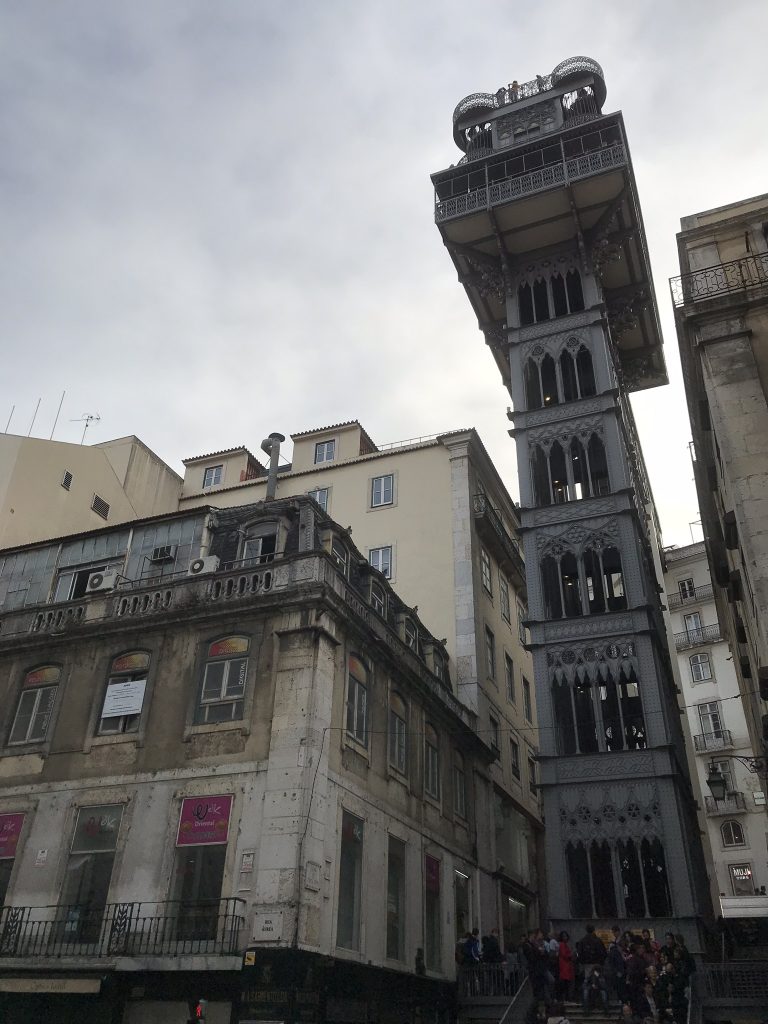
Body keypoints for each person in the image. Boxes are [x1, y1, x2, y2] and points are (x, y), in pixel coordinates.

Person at [557, 930, 575, 1000]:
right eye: (564, 936)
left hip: (565, 965)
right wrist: (571, 955)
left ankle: (566, 997)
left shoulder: (563, 944)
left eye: (566, 936)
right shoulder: (562, 944)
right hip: (565, 965)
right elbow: (564, 954)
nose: (565, 938)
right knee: (566, 983)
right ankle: (567, 998)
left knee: (566, 982)